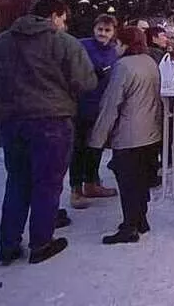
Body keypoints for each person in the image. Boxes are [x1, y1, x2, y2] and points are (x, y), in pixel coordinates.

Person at [0, 0, 97, 265]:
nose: (64, 25)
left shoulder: (2, 42)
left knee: (17, 180)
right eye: (63, 19)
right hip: (52, 120)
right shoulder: (63, 42)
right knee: (48, 183)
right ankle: (41, 242)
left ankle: (8, 245)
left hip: (11, 121)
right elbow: (85, 81)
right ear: (54, 16)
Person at [88, 27, 162, 245]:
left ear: (125, 44)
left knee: (128, 182)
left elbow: (111, 105)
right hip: (150, 132)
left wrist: (97, 139)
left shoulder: (122, 67)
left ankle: (129, 226)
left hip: (129, 134)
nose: (114, 47)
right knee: (141, 181)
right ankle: (141, 219)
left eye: (117, 43)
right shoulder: (150, 62)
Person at [69, 14, 119, 210]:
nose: (103, 34)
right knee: (79, 148)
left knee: (95, 146)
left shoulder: (114, 51)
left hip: (102, 105)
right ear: (94, 29)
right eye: (100, 29)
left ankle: (92, 183)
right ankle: (76, 189)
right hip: (81, 105)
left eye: (107, 30)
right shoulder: (81, 46)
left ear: (113, 32)